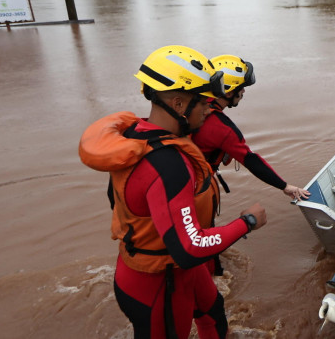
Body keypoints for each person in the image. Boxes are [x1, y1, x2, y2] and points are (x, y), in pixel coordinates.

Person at [79, 45, 267, 339]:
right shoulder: (168, 164)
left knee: (213, 313)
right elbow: (189, 247)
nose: (210, 109)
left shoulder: (136, 136)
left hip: (173, 270)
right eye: (203, 103)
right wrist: (249, 222)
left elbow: (116, 199)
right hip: (158, 284)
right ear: (179, 105)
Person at [192, 54, 310, 202]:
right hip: (195, 190)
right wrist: (284, 186)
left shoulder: (189, 107)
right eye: (241, 88)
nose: (244, 92)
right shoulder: (223, 128)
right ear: (228, 92)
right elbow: (250, 160)